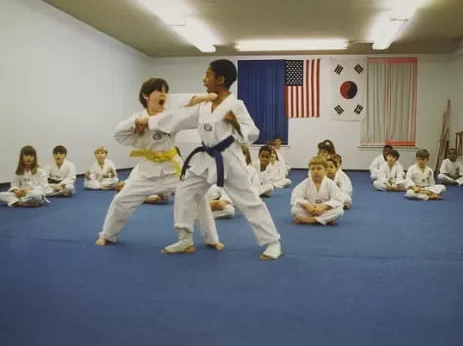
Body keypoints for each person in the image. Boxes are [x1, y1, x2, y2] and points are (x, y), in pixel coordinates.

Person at [141, 59, 282, 260]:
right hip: (204, 157)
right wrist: (150, 122)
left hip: (228, 159)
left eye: (207, 74)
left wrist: (235, 123)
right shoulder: (204, 105)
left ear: (220, 79)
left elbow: (253, 133)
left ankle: (272, 242)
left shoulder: (236, 105)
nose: (204, 79)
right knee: (184, 190)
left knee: (249, 201)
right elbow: (178, 119)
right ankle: (185, 238)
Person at [95, 77, 222, 249]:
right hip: (147, 170)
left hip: (174, 169)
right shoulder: (137, 118)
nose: (164, 94)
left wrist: (205, 98)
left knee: (197, 198)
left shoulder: (171, 115)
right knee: (121, 201)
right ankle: (107, 235)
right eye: (159, 90)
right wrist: (135, 125)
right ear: (146, 96)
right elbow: (119, 134)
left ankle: (211, 239)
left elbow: (186, 105)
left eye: (165, 91)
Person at [291, 156, 344, 225]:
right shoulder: (305, 183)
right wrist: (307, 205)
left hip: (324, 210)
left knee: (340, 211)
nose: (315, 171)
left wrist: (324, 207)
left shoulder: (330, 184)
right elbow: (296, 196)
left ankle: (312, 220)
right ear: (309, 170)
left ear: (325, 170)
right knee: (294, 210)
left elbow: (338, 199)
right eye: (312, 169)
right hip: (309, 210)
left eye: (319, 169)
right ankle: (326, 219)